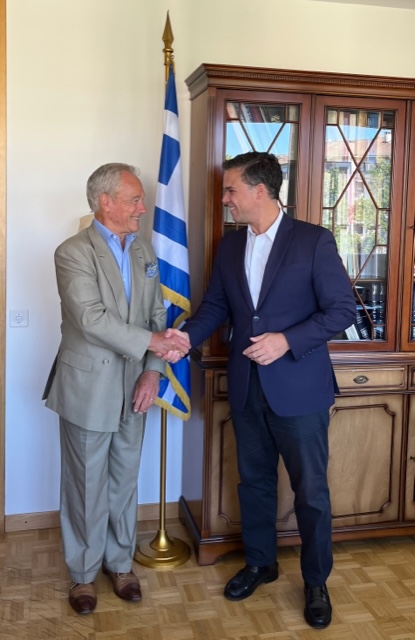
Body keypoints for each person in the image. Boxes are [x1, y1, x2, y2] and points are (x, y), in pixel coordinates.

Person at [168, 152, 356, 629]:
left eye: (230, 190)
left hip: (299, 391)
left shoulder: (313, 240)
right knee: (253, 483)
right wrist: (185, 338)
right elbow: (216, 306)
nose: (225, 199)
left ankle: (316, 582)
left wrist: (286, 340)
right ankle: (260, 563)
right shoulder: (230, 245)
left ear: (259, 190)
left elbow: (342, 311)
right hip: (247, 387)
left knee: (311, 492)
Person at [43, 162, 189, 615]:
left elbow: (156, 316)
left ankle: (120, 564)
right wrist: (155, 344)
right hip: (88, 386)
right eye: (135, 200)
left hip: (136, 384)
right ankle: (84, 574)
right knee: (86, 484)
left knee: (124, 479)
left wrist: (152, 371)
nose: (143, 208)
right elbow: (91, 319)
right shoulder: (72, 252)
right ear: (106, 202)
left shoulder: (144, 250)